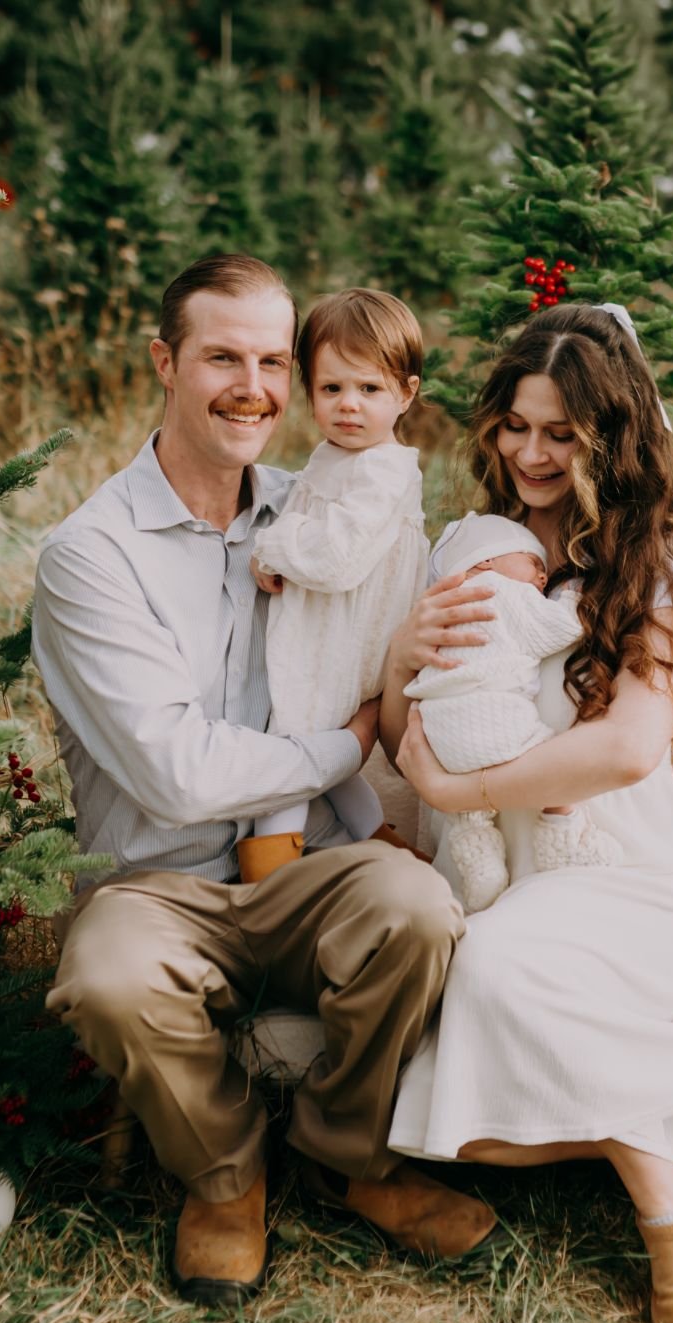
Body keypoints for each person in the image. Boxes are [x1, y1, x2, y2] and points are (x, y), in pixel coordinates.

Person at [31, 255, 495, 1309]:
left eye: (273, 362)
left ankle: (346, 1155)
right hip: (160, 883)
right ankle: (224, 1175)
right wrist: (344, 745)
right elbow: (177, 771)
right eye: (222, 359)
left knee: (417, 907)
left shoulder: (315, 508)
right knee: (108, 979)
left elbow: (397, 615)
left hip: (308, 865)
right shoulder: (91, 556)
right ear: (165, 362)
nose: (253, 388)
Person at [380, 303, 673, 1323]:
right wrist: (402, 655)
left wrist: (458, 793)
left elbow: (626, 746)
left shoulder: (666, 560)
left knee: (496, 974)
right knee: (454, 1088)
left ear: (611, 439)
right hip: (507, 874)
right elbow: (412, 731)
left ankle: (668, 1205)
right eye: (514, 426)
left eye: (560, 434)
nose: (529, 454)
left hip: (632, 871)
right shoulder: (471, 548)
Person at [243, 288, 430, 882]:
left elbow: (337, 559)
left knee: (291, 756)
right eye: (331, 389)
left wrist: (271, 546)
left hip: (345, 644)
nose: (348, 405)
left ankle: (267, 884)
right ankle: (388, 845)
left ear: (406, 393)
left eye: (369, 389)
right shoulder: (337, 454)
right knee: (331, 759)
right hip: (327, 632)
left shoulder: (383, 470)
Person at [402, 512, 620, 910]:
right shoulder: (500, 591)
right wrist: (573, 595)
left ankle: (480, 863)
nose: (542, 576)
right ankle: (564, 836)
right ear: (487, 561)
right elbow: (560, 628)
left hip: (439, 734)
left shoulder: (440, 607)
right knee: (557, 760)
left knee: (468, 812)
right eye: (533, 563)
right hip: (494, 719)